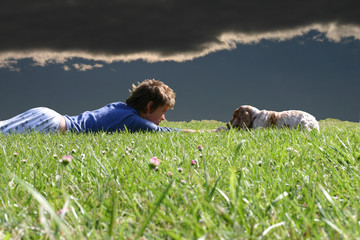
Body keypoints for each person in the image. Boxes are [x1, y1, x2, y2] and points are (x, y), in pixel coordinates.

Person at [0, 79, 214, 134]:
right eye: (163, 112)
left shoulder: (120, 107)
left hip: (46, 115)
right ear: (149, 106)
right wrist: (212, 132)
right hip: (50, 125)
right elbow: (168, 133)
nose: (163, 118)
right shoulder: (132, 121)